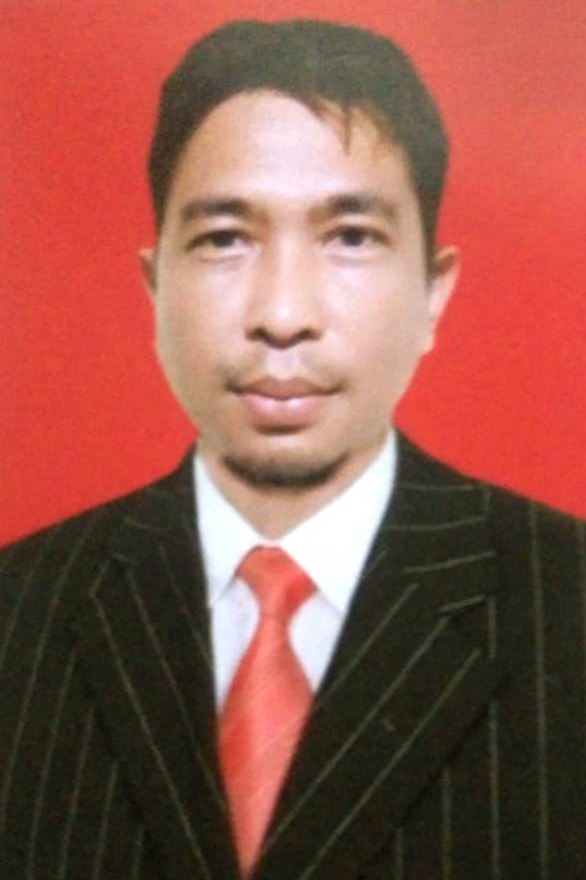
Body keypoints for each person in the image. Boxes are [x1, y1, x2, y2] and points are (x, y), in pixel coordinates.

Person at [1, 18, 584, 880]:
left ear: (434, 291)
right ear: (155, 287)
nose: (282, 314)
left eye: (350, 236)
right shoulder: (17, 614)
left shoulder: (569, 604)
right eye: (224, 239)